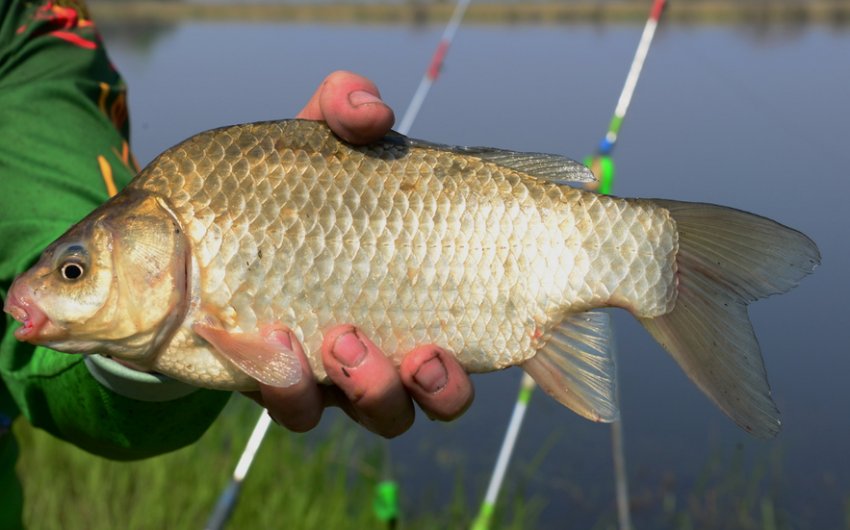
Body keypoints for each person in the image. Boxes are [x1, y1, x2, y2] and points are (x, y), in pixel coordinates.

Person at [0, 1, 473, 528]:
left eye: (73, 271)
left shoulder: (23, 26)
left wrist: (138, 361)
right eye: (75, 271)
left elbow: (37, 226)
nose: (35, 293)